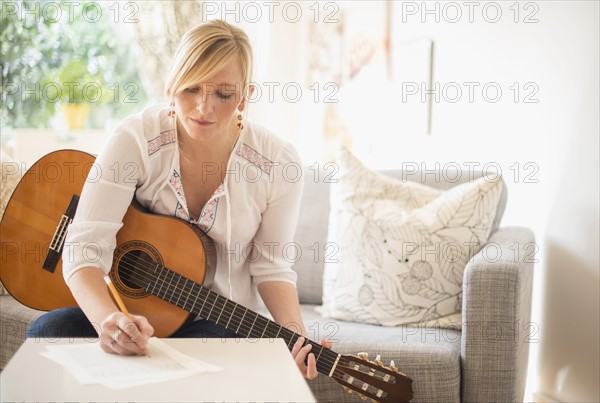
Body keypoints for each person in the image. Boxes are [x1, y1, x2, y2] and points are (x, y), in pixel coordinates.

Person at [27, 19, 331, 379]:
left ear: (245, 96)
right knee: (46, 334)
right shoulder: (136, 139)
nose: (205, 108)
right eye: (191, 89)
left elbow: (271, 266)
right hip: (130, 308)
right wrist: (110, 322)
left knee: (200, 365)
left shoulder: (277, 163)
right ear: (170, 87)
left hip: (217, 320)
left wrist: (296, 336)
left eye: (223, 94)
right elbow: (84, 247)